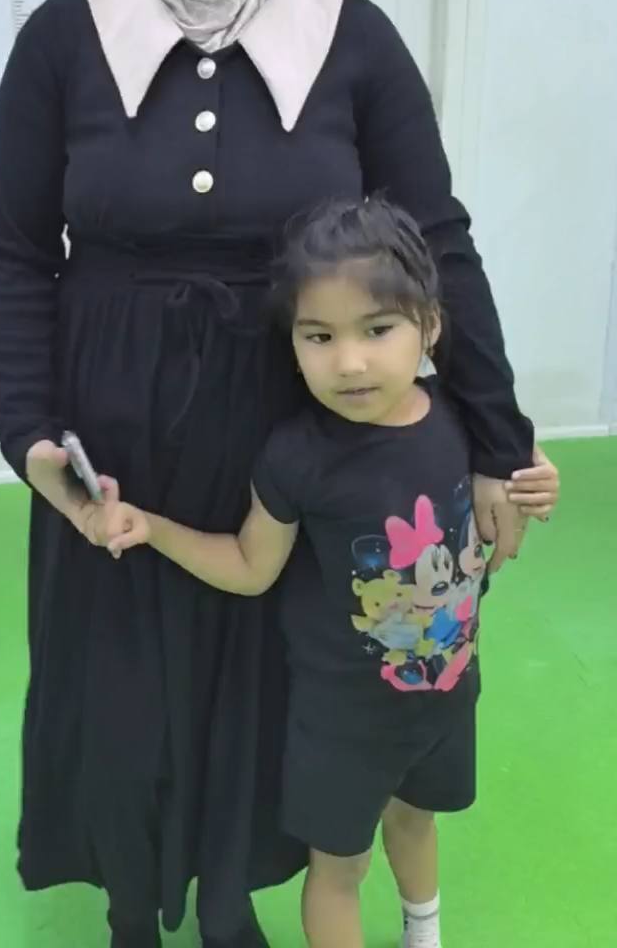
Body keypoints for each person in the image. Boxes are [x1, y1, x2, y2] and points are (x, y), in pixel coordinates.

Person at [0, 0, 559, 948]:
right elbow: (17, 255)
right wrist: (31, 438)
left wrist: (494, 443)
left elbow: (434, 241)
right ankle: (132, 899)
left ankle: (238, 894)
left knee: (271, 672)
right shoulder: (63, 37)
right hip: (111, 428)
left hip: (290, 426)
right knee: (122, 677)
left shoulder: (353, 34)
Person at [92, 195, 528, 948]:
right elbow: (249, 566)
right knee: (340, 868)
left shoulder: (458, 420)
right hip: (342, 728)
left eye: (377, 329)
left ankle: (424, 933)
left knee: (416, 821)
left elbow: (512, 487)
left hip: (449, 699)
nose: (348, 362)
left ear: (429, 327)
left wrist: (534, 479)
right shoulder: (295, 456)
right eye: (319, 335)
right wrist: (152, 528)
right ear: (291, 342)